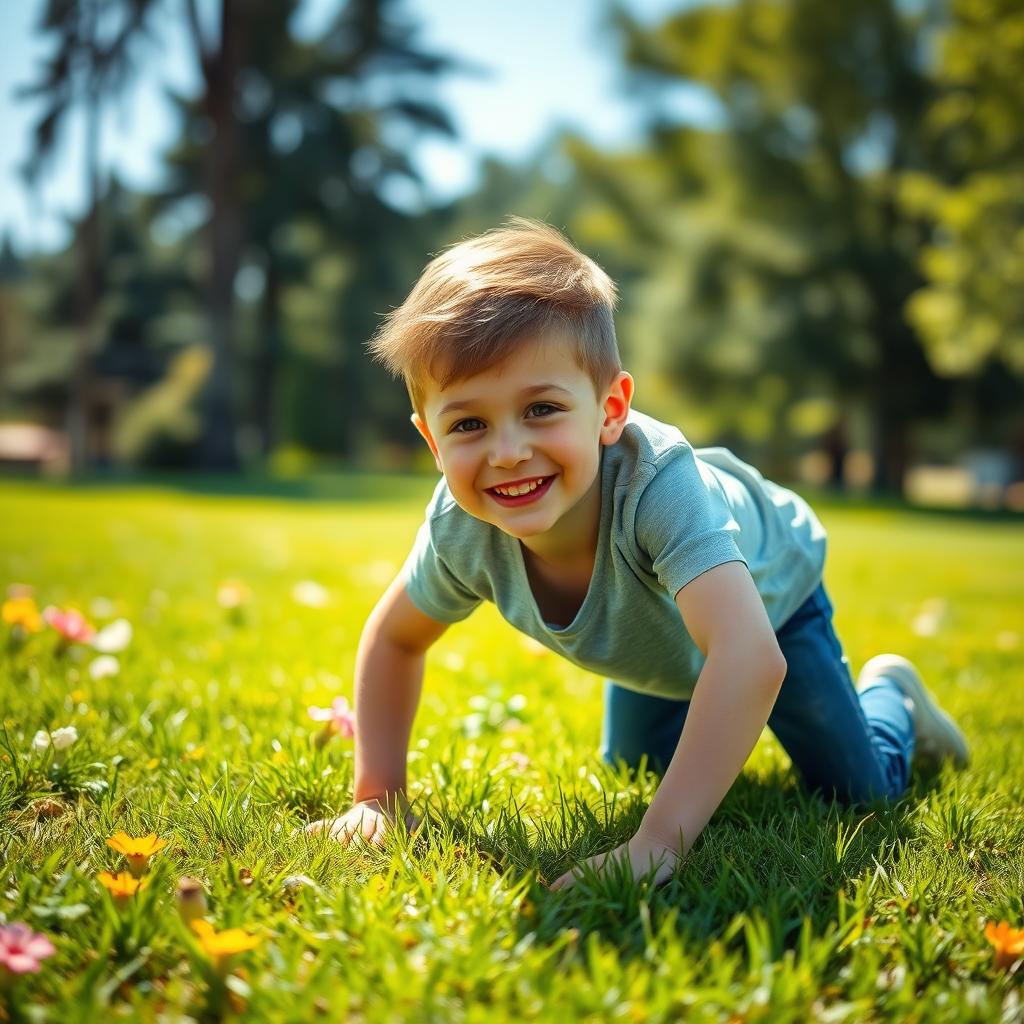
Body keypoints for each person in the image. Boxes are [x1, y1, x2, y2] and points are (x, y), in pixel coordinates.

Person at [306, 218, 969, 889]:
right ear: (431, 441)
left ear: (609, 408)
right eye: (469, 423)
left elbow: (749, 657)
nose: (507, 451)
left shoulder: (659, 491)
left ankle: (893, 699)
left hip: (769, 607)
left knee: (858, 792)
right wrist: (377, 797)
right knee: (639, 770)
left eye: (541, 409)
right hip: (658, 638)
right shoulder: (461, 528)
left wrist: (655, 844)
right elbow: (395, 640)